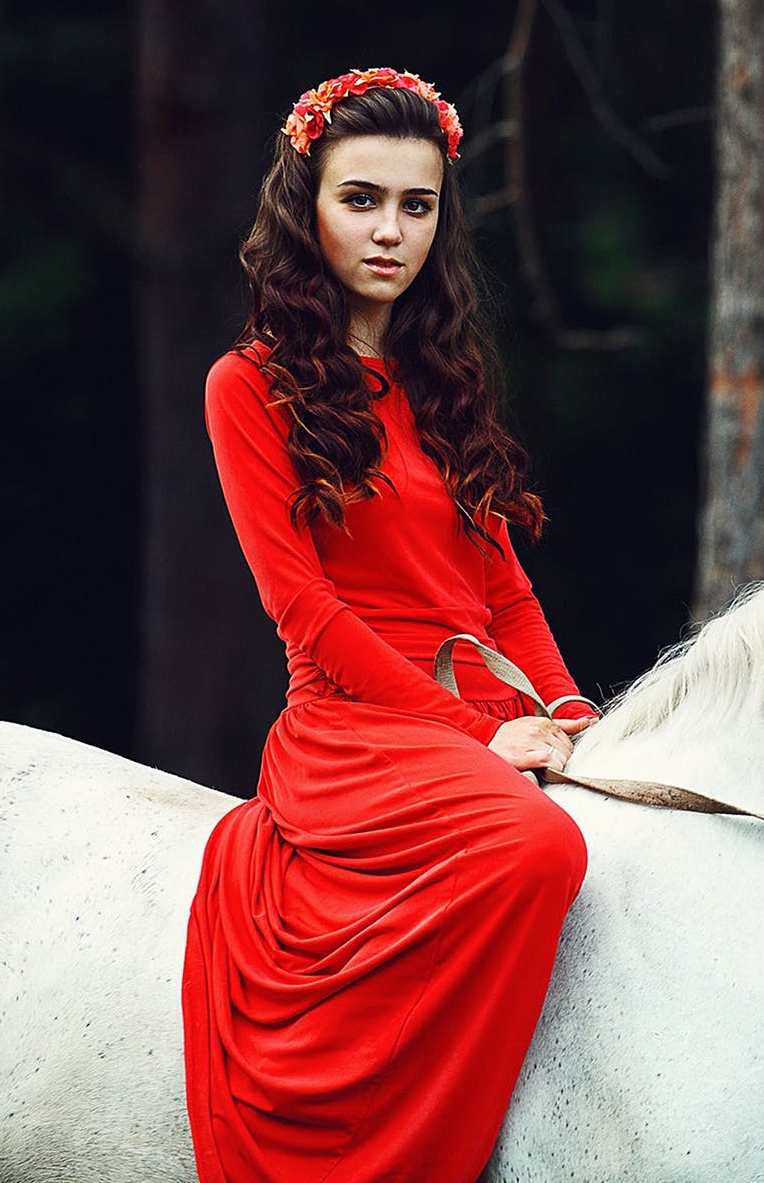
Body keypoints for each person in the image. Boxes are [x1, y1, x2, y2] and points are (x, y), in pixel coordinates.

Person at [180, 67, 600, 1183]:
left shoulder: (441, 383)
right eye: (360, 198)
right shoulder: (249, 386)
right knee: (538, 843)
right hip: (358, 723)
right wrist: (471, 734)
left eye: (416, 207)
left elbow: (505, 594)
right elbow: (301, 606)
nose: (389, 231)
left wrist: (572, 713)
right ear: (303, 206)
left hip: (488, 703)